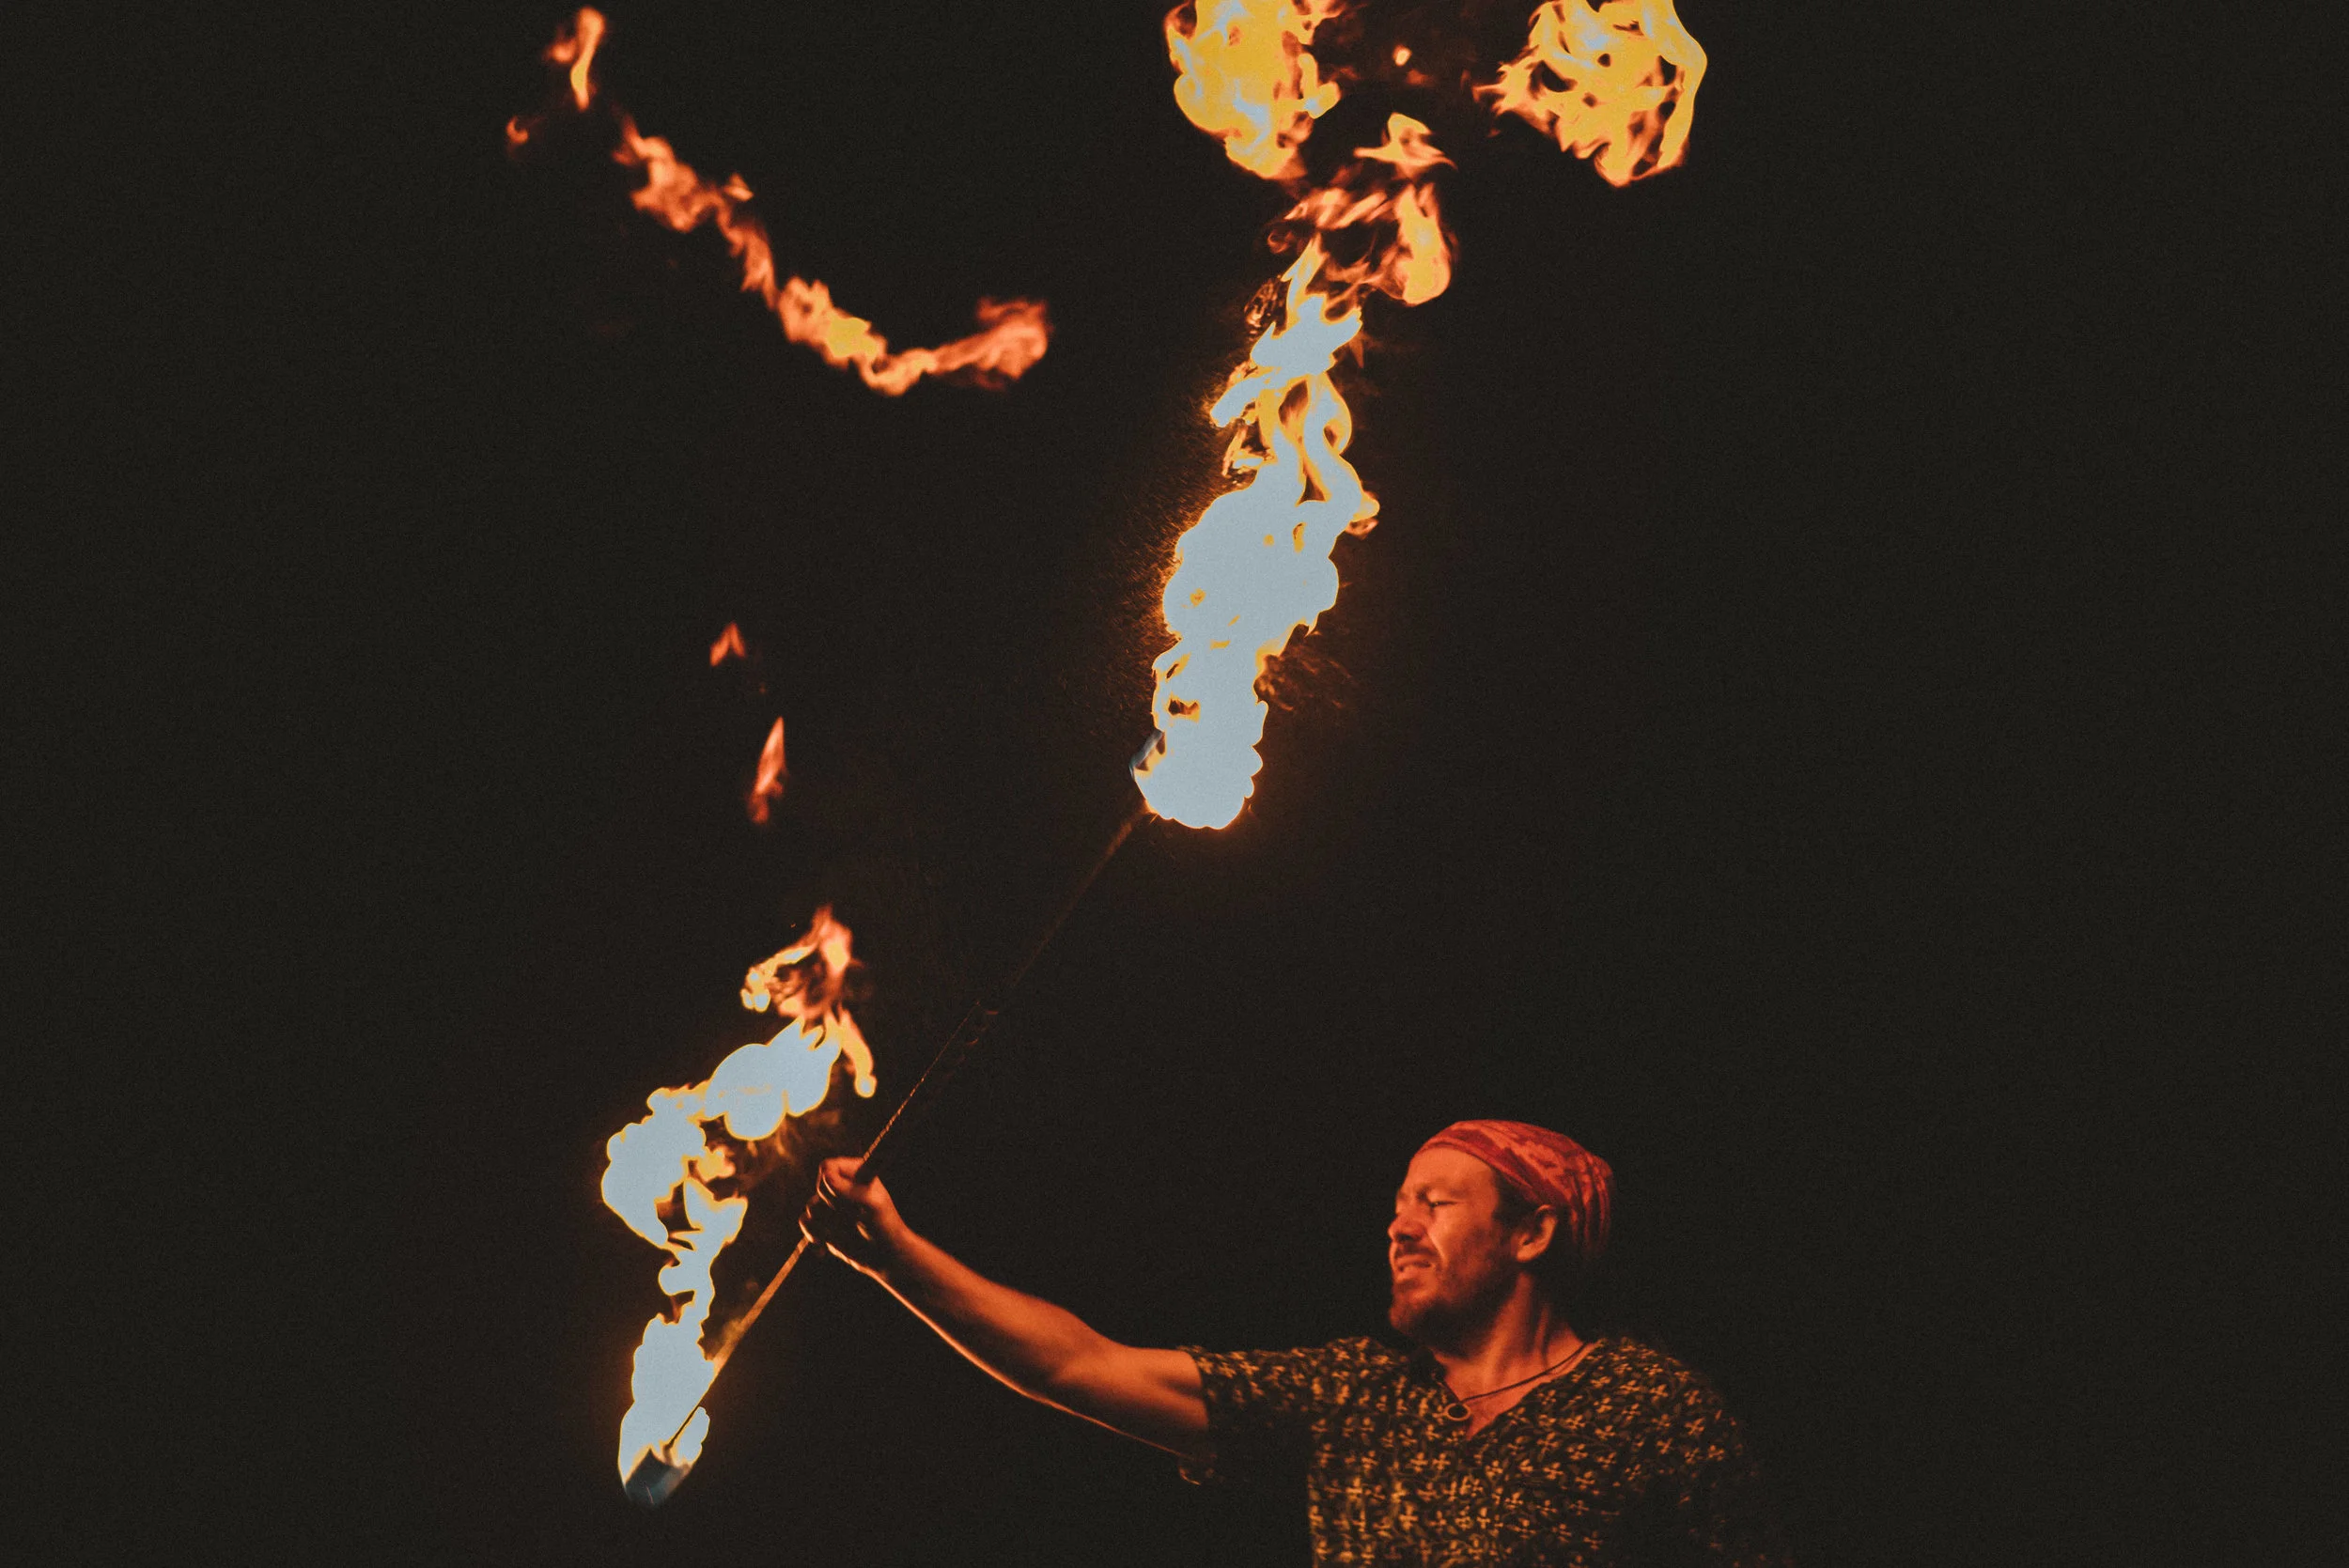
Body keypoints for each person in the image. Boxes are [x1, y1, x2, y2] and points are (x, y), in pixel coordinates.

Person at [802, 1117, 1789, 1566]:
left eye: (1435, 1204)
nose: (1399, 1226)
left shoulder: (1650, 1407)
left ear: (1529, 1234)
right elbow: (1080, 1364)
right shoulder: (1354, 1395)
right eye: (1397, 1204)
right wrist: (891, 1252)